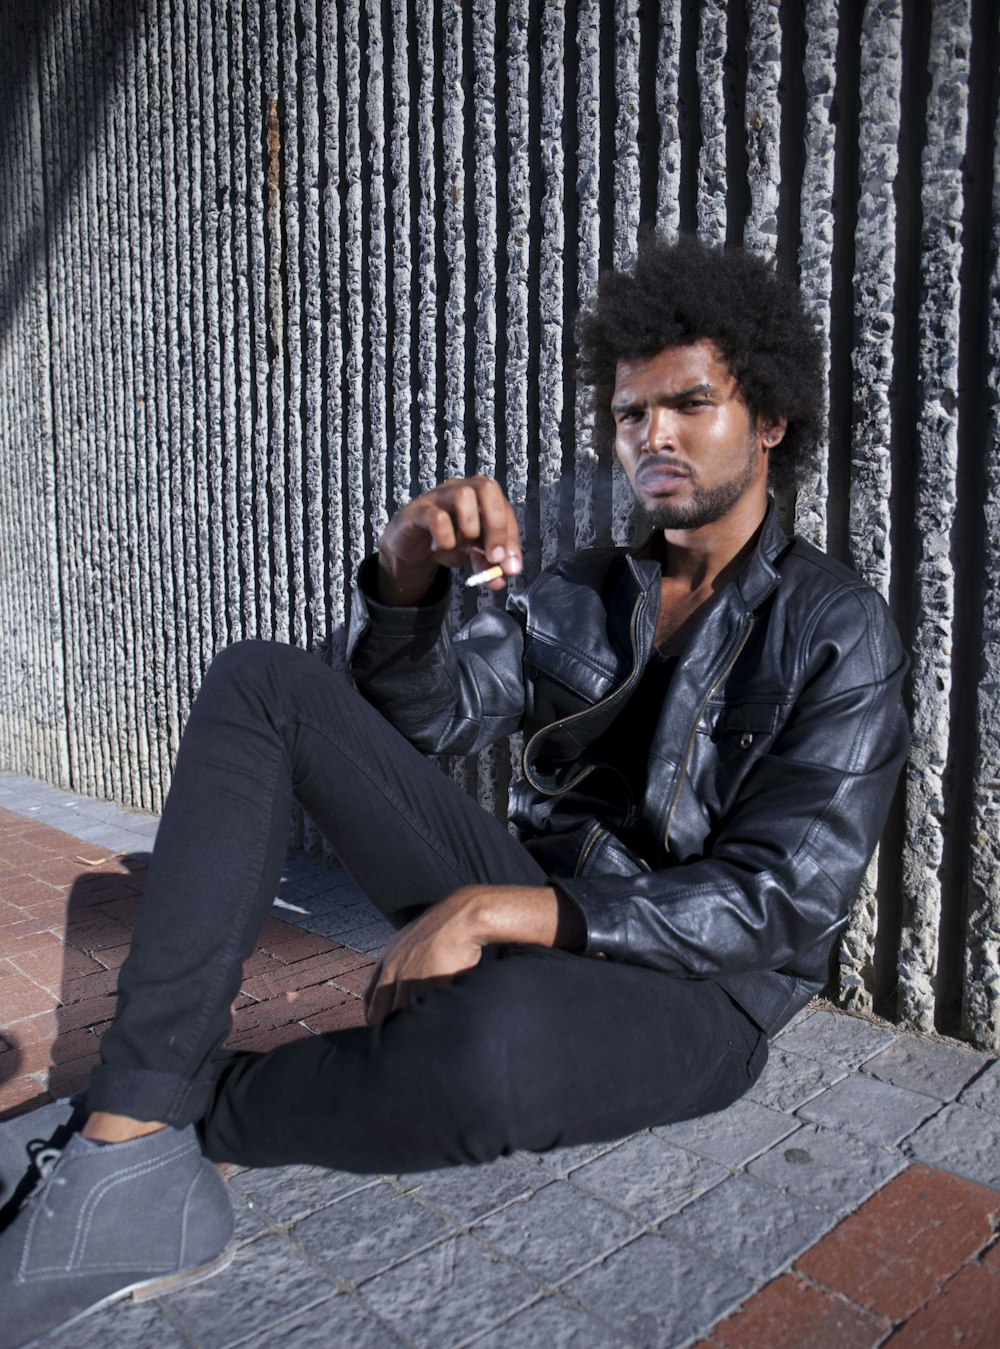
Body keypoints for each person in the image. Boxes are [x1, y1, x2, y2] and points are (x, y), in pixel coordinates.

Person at [0, 234, 909, 1345]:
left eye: (689, 403)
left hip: (704, 988)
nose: (653, 436)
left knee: (495, 1043)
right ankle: (127, 1140)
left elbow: (784, 898)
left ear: (768, 418)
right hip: (527, 894)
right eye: (631, 414)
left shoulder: (834, 626)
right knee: (263, 680)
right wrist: (405, 573)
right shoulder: (583, 587)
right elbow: (424, 716)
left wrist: (509, 911)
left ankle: (171, 1106)